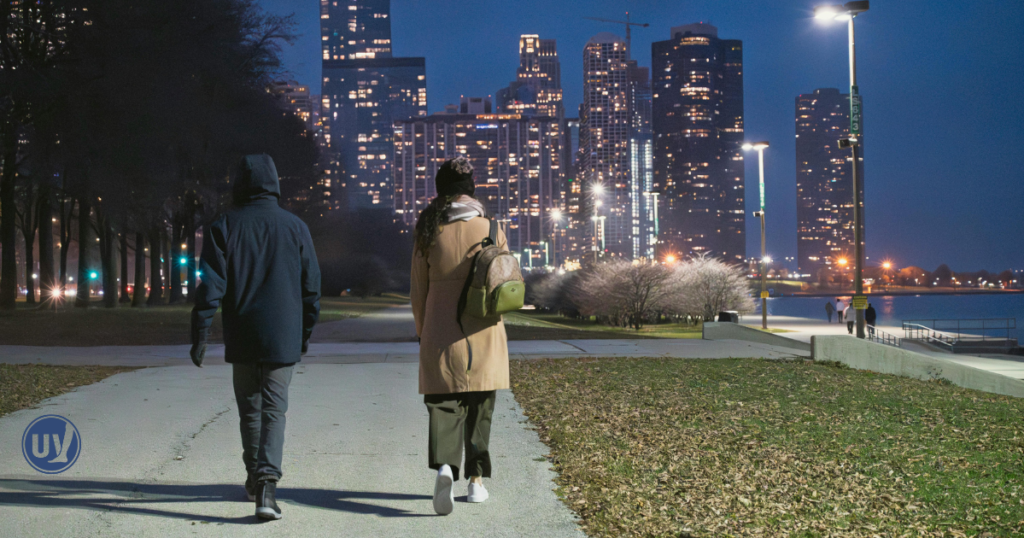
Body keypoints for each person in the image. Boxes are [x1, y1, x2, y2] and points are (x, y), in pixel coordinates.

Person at [190, 154, 321, 521]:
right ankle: (267, 486)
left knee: (250, 409)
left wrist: (200, 332)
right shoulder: (296, 227)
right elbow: (311, 289)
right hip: (283, 334)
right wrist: (304, 334)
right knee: (274, 411)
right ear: (274, 182)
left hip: (243, 331)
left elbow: (210, 287)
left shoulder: (224, 226)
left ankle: (253, 477)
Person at [411, 156, 510, 516]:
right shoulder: (491, 228)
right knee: (480, 405)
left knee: (443, 404)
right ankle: (476, 482)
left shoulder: (428, 229)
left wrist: (422, 331)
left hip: (440, 327)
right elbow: (505, 283)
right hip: (484, 327)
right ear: (470, 192)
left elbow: (417, 288)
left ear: (441, 192)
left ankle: (444, 468)